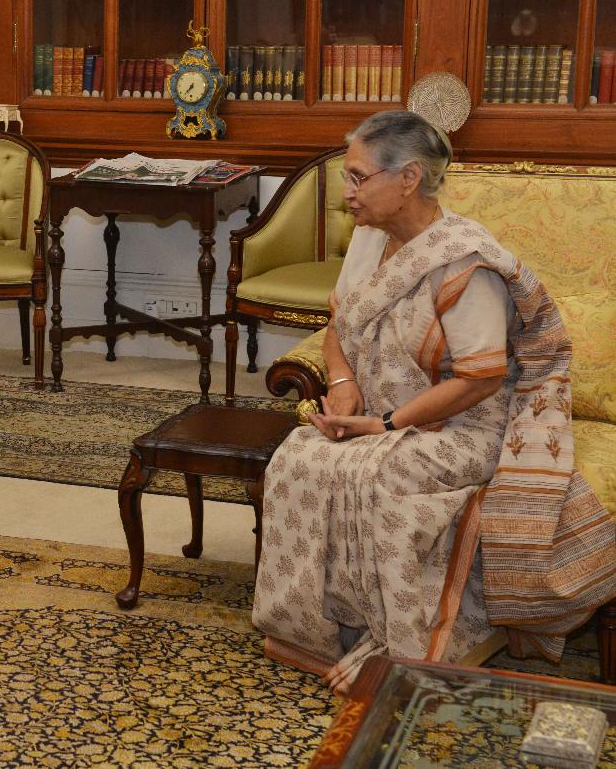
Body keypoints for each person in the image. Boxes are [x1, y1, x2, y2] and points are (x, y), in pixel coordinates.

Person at [251, 110, 616, 694]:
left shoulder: (466, 263)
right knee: (298, 456)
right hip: (380, 416)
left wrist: (384, 423)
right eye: (347, 177)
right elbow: (338, 326)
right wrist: (342, 386)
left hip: (465, 429)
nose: (347, 193)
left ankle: (402, 641)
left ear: (408, 179)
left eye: (358, 177)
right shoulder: (369, 241)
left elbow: (480, 378)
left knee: (377, 474)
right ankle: (315, 631)